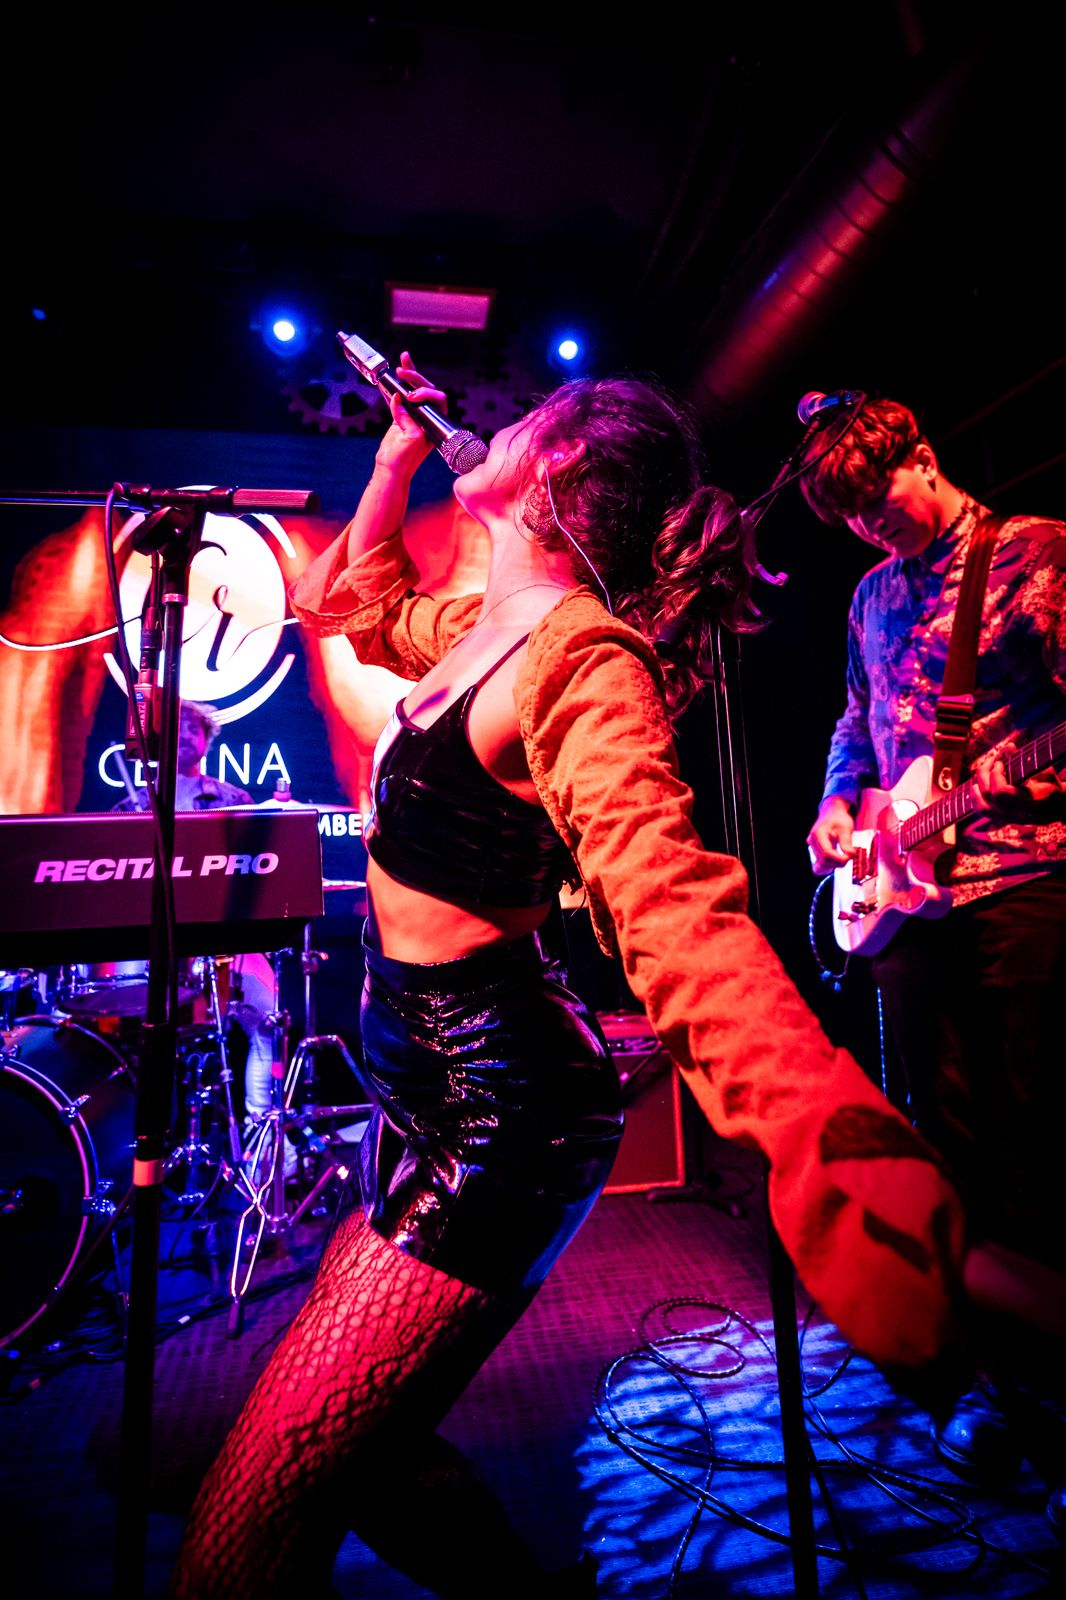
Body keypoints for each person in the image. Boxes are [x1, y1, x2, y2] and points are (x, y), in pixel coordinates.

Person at [172, 362, 1059, 1600]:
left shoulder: (581, 661)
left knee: (235, 1545)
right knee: (355, 1456)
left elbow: (675, 916)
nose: (485, 426)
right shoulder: (484, 625)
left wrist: (828, 1143)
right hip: (423, 1092)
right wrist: (390, 459)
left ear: (554, 468)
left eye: (520, 421)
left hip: (497, 1117)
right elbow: (345, 606)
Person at [800, 396, 1066, 1510]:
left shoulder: (1037, 553)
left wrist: (1014, 780)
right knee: (939, 1132)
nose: (872, 524)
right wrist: (837, 804)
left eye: (878, 497)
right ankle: (985, 1378)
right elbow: (856, 720)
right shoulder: (870, 594)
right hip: (904, 899)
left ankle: (1055, 1384)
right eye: (851, 517)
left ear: (923, 455)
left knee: (1035, 1126)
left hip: (1022, 879)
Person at [112, 698, 278, 1139]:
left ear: (207, 740)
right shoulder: (131, 806)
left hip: (226, 941)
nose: (185, 734)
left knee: (271, 1018)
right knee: (140, 1033)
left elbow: (255, 875)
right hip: (154, 948)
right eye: (177, 727)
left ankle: (261, 1132)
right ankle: (143, 1139)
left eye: (194, 728)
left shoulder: (235, 800)